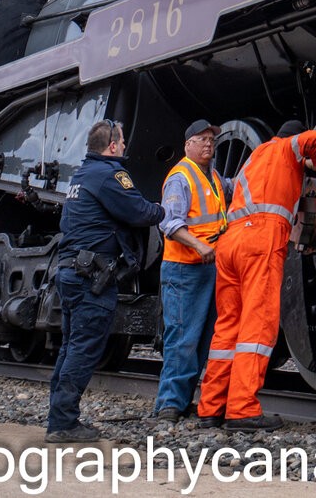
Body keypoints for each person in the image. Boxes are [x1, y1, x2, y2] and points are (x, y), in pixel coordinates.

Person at [197, 119, 316, 430]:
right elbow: (312, 138)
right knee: (257, 327)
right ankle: (242, 410)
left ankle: (211, 407)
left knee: (227, 327)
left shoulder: (255, 156)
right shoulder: (288, 148)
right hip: (261, 240)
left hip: (231, 241)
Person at [46, 119, 164, 442]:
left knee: (70, 347)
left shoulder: (81, 175)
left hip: (72, 272)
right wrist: (163, 211)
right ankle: (63, 424)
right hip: (91, 278)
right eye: (122, 141)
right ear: (112, 146)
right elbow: (138, 211)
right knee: (83, 350)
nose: (124, 146)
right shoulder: (110, 175)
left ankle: (58, 418)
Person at [152, 119, 234, 422]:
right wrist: (199, 246)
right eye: (202, 139)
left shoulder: (213, 175)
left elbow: (235, 188)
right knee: (182, 339)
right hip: (184, 269)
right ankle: (169, 405)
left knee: (200, 339)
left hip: (207, 267)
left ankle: (181, 401)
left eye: (212, 139)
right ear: (188, 145)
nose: (209, 143)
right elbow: (170, 223)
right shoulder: (180, 177)